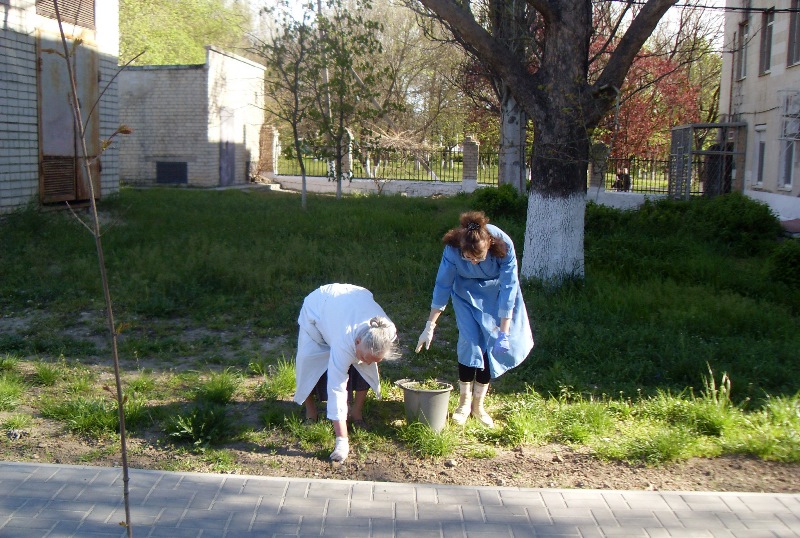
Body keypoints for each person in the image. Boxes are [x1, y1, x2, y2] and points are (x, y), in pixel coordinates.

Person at [416, 211, 534, 427]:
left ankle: (478, 405)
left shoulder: (503, 245)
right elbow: (442, 285)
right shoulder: (453, 247)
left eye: (478, 258)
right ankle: (463, 403)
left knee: (490, 343)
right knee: (469, 342)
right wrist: (430, 325)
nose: (472, 263)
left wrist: (503, 332)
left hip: (496, 295)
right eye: (467, 258)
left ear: (489, 246)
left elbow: (509, 287)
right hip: (465, 294)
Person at [294, 283, 399, 462]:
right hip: (319, 306)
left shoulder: (387, 331)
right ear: (357, 341)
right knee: (307, 362)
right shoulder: (344, 340)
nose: (367, 362)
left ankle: (356, 413)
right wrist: (341, 441)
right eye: (364, 356)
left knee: (365, 368)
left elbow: (369, 356)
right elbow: (336, 387)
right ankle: (311, 412)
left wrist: (368, 358)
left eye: (376, 359)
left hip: (352, 300)